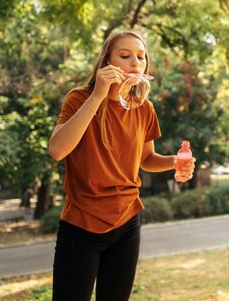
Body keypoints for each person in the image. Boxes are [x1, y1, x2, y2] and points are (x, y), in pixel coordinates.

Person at [48, 30, 195, 301]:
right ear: (107, 62)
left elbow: (146, 160)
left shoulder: (144, 108)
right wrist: (98, 96)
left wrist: (175, 161)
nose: (135, 62)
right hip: (82, 225)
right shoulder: (79, 99)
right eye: (125, 56)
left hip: (127, 223)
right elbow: (57, 151)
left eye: (141, 57)